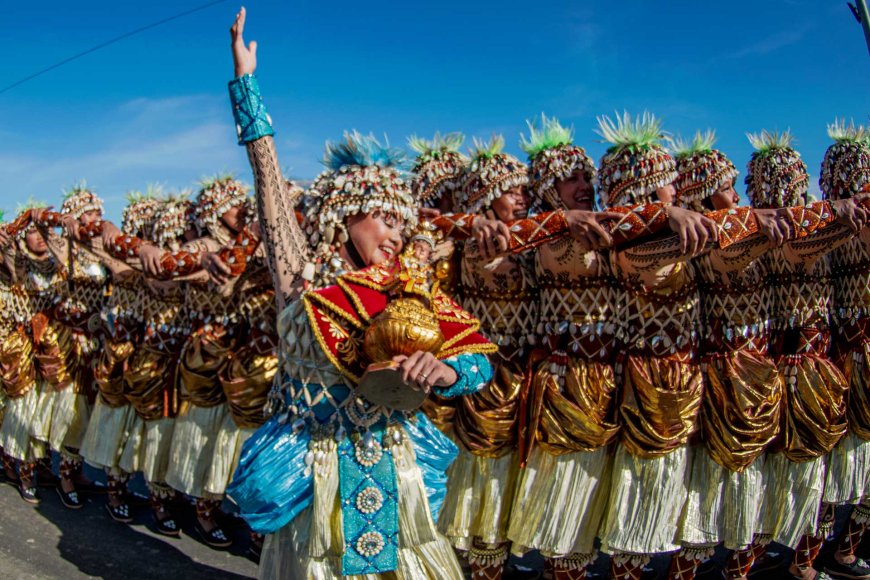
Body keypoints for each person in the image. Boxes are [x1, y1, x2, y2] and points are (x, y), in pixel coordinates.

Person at [224, 8, 498, 578]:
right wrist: (247, 85)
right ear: (343, 216)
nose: (395, 233)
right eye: (380, 216)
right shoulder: (300, 278)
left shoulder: (410, 287)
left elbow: (477, 362)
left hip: (395, 471)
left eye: (401, 221)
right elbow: (270, 186)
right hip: (314, 474)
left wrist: (444, 374)